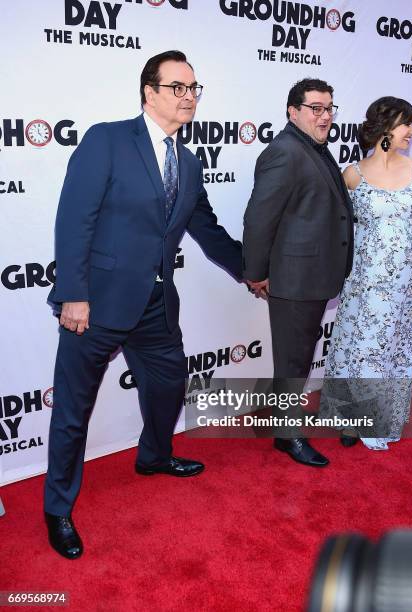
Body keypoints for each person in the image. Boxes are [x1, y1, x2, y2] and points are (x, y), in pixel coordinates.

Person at [44, 50, 243, 559]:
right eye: (178, 87)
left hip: (156, 303)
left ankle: (154, 455)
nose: (189, 97)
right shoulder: (107, 139)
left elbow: (207, 229)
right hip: (97, 304)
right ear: (148, 91)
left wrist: (252, 271)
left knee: (168, 381)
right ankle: (58, 507)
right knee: (73, 410)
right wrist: (74, 294)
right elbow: (75, 221)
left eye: (195, 88)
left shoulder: (191, 162)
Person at [243, 78, 354, 467]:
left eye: (329, 108)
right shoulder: (286, 152)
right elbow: (258, 219)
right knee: (292, 363)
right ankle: (287, 436)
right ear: (293, 112)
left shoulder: (313, 148)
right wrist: (256, 273)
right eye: (316, 109)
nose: (325, 117)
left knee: (299, 359)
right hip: (294, 279)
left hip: (311, 276)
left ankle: (286, 429)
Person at [321, 96, 412, 450]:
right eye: (407, 124)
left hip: (405, 281)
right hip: (363, 279)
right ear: (386, 127)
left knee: (396, 349)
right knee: (359, 347)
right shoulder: (352, 175)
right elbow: (340, 231)